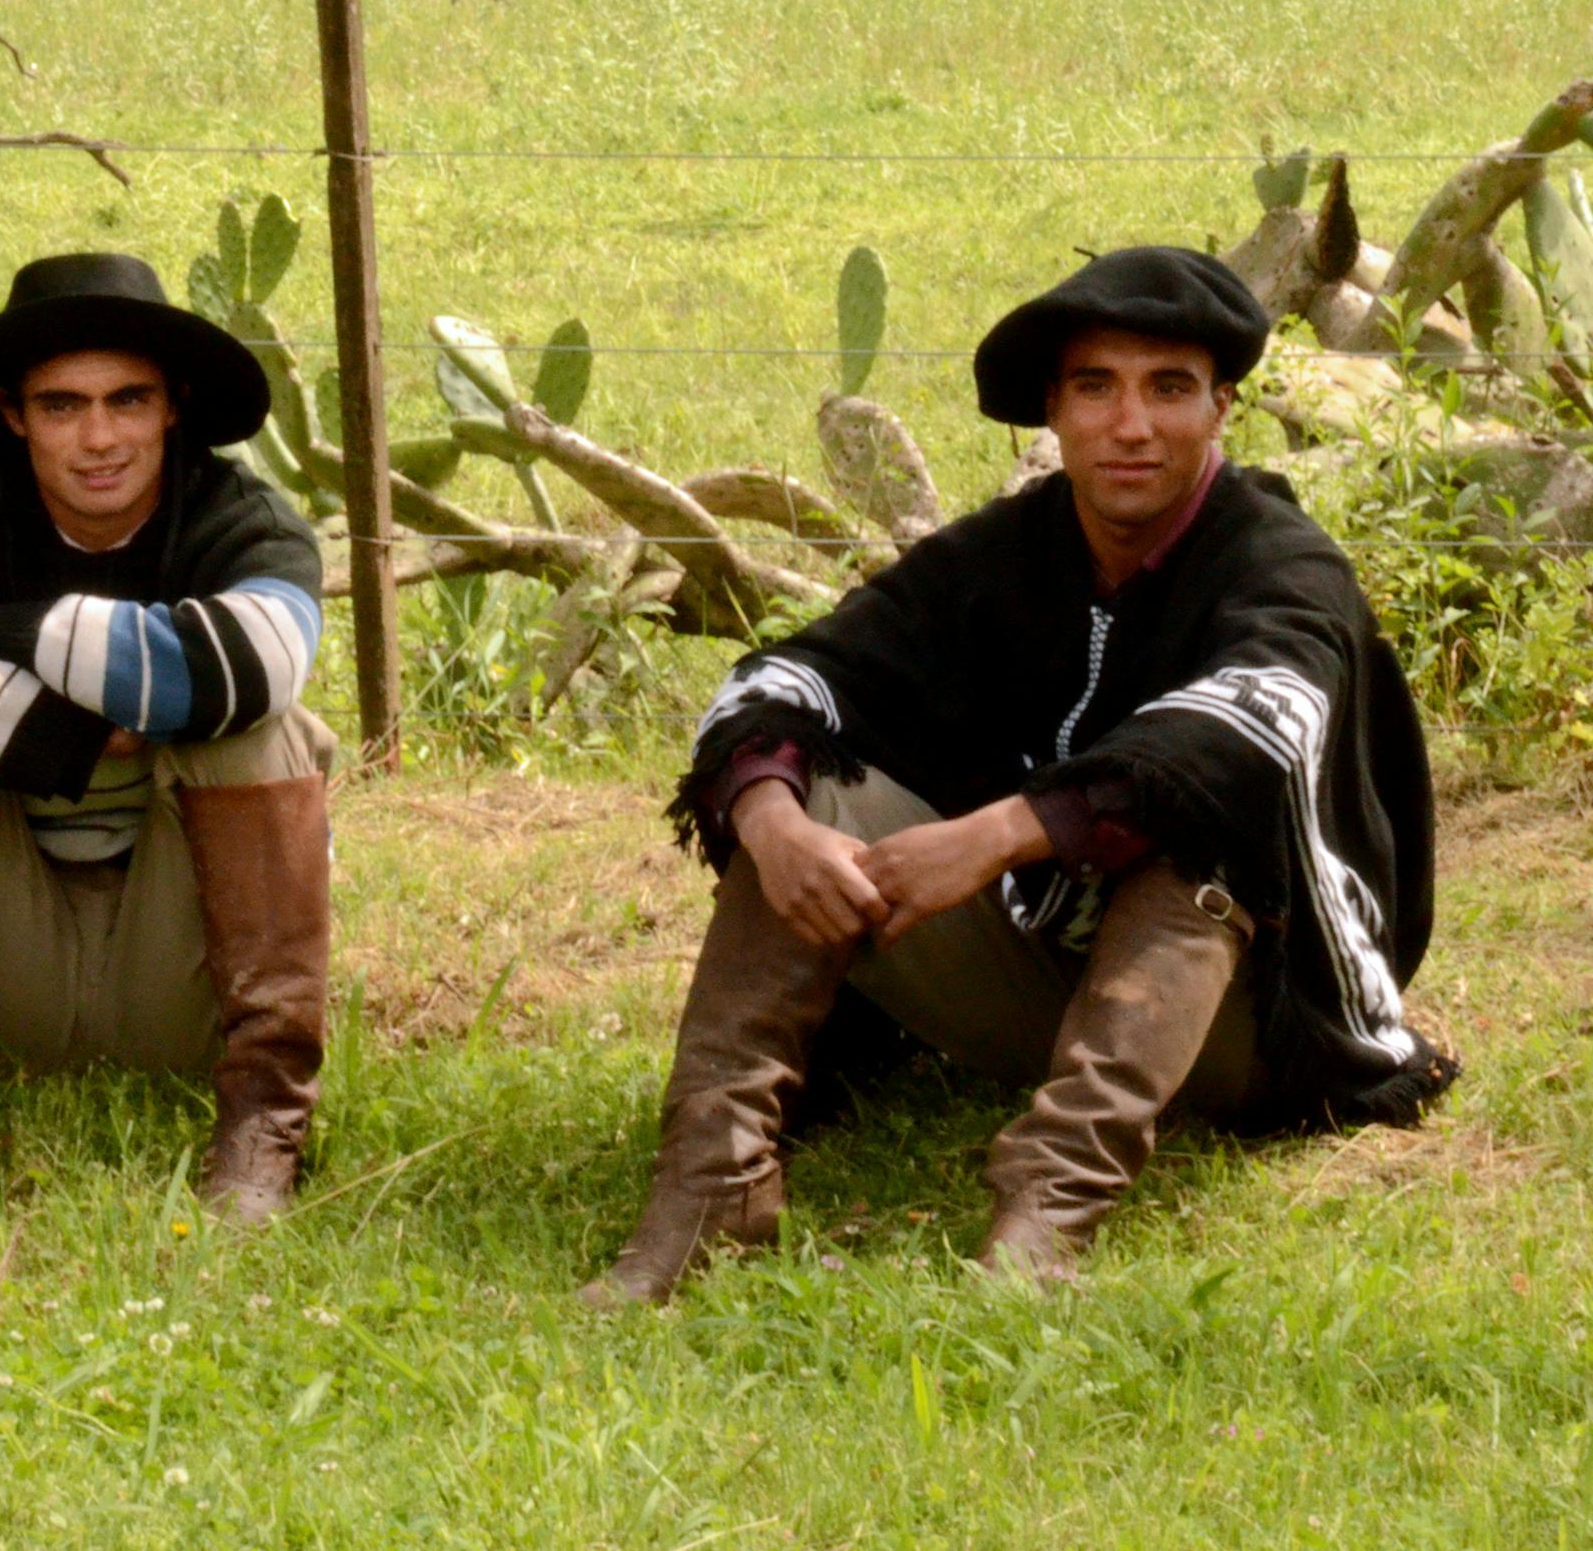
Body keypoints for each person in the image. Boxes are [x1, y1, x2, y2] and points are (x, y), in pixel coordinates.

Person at [580, 245, 1458, 1304]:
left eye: (1168, 388)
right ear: (1054, 409)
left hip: (1255, 1026)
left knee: (1196, 824)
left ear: (1220, 407)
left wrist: (997, 833)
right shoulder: (1004, 552)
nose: (1131, 425)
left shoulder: (1283, 562)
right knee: (805, 786)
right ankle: (714, 1184)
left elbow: (1246, 739)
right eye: (1096, 387)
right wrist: (772, 823)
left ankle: (1044, 1215)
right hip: (1048, 976)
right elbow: (790, 675)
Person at [0, 253, 335, 1224]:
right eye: (62, 405)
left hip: (189, 983)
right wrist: (101, 726)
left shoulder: (241, 520)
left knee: (258, 729)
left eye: (127, 399)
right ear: (13, 415)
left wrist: (21, 631)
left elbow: (252, 662)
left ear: (173, 407)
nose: (99, 438)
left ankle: (265, 1120)